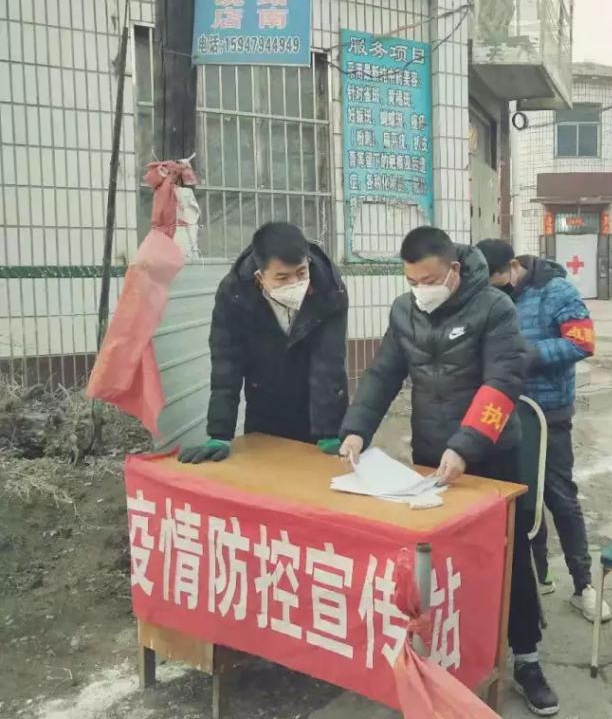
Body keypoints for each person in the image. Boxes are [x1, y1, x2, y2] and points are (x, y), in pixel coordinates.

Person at [338, 227, 559, 715]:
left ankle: (526, 657)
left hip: (492, 456)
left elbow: (503, 380)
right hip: (430, 454)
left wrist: (467, 445)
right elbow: (383, 374)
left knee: (508, 557)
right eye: (413, 281)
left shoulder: (494, 308)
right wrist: (356, 430)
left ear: (454, 270)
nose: (422, 289)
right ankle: (444, 657)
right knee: (437, 560)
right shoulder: (404, 311)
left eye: (430, 280)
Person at [476, 239, 612, 625]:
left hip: (548, 412)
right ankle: (538, 577)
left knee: (559, 497)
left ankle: (584, 585)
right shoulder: (487, 297)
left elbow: (582, 342)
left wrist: (529, 354)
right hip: (501, 411)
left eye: (495, 282)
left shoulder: (556, 291)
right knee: (516, 498)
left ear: (511, 267)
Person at [178, 222, 349, 463]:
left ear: (308, 262)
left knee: (322, 478)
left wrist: (329, 431)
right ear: (260, 276)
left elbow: (328, 362)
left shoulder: (330, 289)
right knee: (265, 472)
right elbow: (226, 363)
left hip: (319, 406)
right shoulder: (235, 294)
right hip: (265, 404)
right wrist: (220, 434)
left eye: (301, 273)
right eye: (282, 277)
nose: (294, 283)